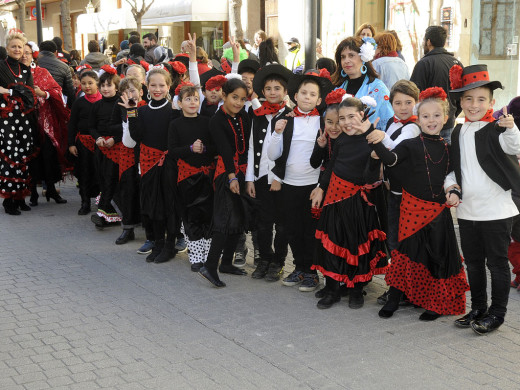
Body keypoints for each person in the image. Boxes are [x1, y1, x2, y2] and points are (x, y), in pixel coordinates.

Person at [366, 87, 469, 320]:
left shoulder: (448, 147)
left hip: (437, 212)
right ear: (418, 118)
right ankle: (394, 298)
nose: (431, 120)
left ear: (445, 118)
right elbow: (391, 160)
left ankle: (437, 302)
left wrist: (454, 190)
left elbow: (452, 174)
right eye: (425, 116)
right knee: (405, 255)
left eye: (436, 116)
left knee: (437, 256)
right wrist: (374, 141)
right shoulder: (411, 144)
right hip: (412, 210)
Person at [446, 64, 520, 334]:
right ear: (460, 102)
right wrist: (451, 187)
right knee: (474, 263)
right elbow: (454, 169)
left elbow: (515, 147)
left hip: (497, 211)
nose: (474, 104)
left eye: (480, 99)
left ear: (491, 102)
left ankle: (497, 314)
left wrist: (511, 128)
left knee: (497, 263)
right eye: (468, 99)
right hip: (467, 212)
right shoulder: (457, 132)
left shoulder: (498, 129)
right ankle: (478, 308)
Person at [310, 95, 388, 309]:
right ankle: (333, 290)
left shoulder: (371, 138)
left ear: (362, 115)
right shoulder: (341, 139)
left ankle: (356, 290)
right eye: (342, 118)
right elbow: (332, 165)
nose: (345, 123)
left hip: (358, 202)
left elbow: (372, 176)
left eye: (351, 117)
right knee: (333, 244)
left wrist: (375, 155)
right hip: (334, 199)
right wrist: (321, 188)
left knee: (356, 246)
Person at [267, 70, 333, 292]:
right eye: (303, 92)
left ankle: (312, 272)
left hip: (313, 185)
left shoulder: (323, 121)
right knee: (292, 229)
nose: (307, 97)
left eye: (312, 94)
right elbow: (273, 155)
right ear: (295, 95)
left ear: (319, 99)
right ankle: (299, 268)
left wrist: (321, 185)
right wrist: (276, 133)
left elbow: (329, 156)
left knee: (310, 230)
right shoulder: (283, 119)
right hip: (289, 184)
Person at [198, 77, 252, 288]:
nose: (238, 103)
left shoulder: (244, 116)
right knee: (224, 219)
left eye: (242, 99)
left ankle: (226, 263)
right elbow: (225, 151)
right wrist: (232, 177)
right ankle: (210, 266)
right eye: (234, 98)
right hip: (225, 172)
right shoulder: (216, 120)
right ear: (224, 96)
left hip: (243, 170)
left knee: (238, 219)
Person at [124, 68, 180, 264]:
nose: (157, 89)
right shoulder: (141, 110)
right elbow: (136, 136)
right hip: (148, 164)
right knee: (152, 205)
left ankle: (170, 246)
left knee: (169, 206)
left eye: (161, 85)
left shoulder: (174, 111)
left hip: (169, 165)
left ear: (168, 86)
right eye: (153, 85)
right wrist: (131, 111)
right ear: (146, 86)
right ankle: (157, 243)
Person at [246, 64, 293, 282]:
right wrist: (250, 178)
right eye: (268, 89)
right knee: (262, 223)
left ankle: (279, 262)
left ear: (285, 92)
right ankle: (265, 258)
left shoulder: (291, 116)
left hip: (281, 180)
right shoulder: (257, 116)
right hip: (260, 177)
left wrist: (278, 177)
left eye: (277, 88)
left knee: (282, 224)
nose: (272, 92)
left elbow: (290, 152)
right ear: (262, 92)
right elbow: (252, 149)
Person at [168, 85, 217, 271]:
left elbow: (215, 146)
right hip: (187, 179)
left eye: (196, 99)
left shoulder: (207, 121)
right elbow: (172, 150)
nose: (192, 102)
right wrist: (190, 148)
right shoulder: (175, 124)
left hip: (207, 176)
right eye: (188, 99)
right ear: (179, 103)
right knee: (191, 216)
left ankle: (208, 255)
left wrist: (204, 149)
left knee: (208, 215)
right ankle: (196, 257)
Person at [21, 42, 69, 207]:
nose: (24, 56)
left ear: (33, 54)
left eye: (27, 52)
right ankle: (33, 192)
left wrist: (45, 93)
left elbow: (57, 91)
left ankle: (51, 190)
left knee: (49, 155)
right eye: (22, 53)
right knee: (31, 158)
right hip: (25, 123)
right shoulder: (15, 75)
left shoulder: (42, 72)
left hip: (45, 122)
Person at [0, 33, 38, 215]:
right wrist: (13, 90)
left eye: (20, 47)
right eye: (13, 46)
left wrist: (17, 92)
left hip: (23, 117)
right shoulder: (0, 66)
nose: (17, 50)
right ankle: (9, 200)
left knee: (24, 153)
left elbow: (30, 93)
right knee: (10, 154)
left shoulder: (25, 70)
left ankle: (21, 196)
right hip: (5, 117)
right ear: (7, 48)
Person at [410, 26, 463, 144]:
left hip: (428, 125)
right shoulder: (456, 63)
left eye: (424, 40)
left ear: (428, 42)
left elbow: (413, 95)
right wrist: (451, 114)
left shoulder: (424, 63)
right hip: (447, 122)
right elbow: (462, 95)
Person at [332, 36, 394, 130]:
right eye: (343, 57)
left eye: (351, 55)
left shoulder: (378, 88)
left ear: (363, 57)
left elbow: (389, 122)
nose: (346, 61)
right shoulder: (338, 88)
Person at [112, 76, 144, 245]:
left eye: (133, 90)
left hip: (145, 154)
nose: (130, 94)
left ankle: (149, 228)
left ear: (141, 92)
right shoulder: (120, 107)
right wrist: (126, 122)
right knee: (128, 190)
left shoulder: (146, 107)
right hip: (127, 154)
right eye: (126, 92)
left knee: (145, 191)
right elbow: (113, 128)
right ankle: (128, 228)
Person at [90, 67, 122, 229]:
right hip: (101, 147)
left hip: (117, 148)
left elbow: (126, 127)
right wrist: (98, 138)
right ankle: (107, 212)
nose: (105, 88)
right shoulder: (97, 105)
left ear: (116, 87)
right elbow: (91, 126)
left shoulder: (121, 103)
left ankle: (103, 214)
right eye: (102, 85)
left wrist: (114, 139)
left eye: (109, 85)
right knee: (102, 178)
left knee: (111, 179)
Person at [68, 70, 101, 215]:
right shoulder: (79, 102)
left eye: (90, 83)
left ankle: (103, 203)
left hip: (101, 143)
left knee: (100, 172)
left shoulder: (104, 100)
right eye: (83, 83)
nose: (87, 86)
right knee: (84, 173)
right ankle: (85, 202)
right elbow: (72, 124)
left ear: (97, 83)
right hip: (83, 142)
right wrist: (71, 144)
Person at [37, 40, 75, 108]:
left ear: (39, 51)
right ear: (56, 52)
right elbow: (70, 91)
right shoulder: (64, 67)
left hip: (38, 104)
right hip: (56, 104)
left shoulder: (33, 64)